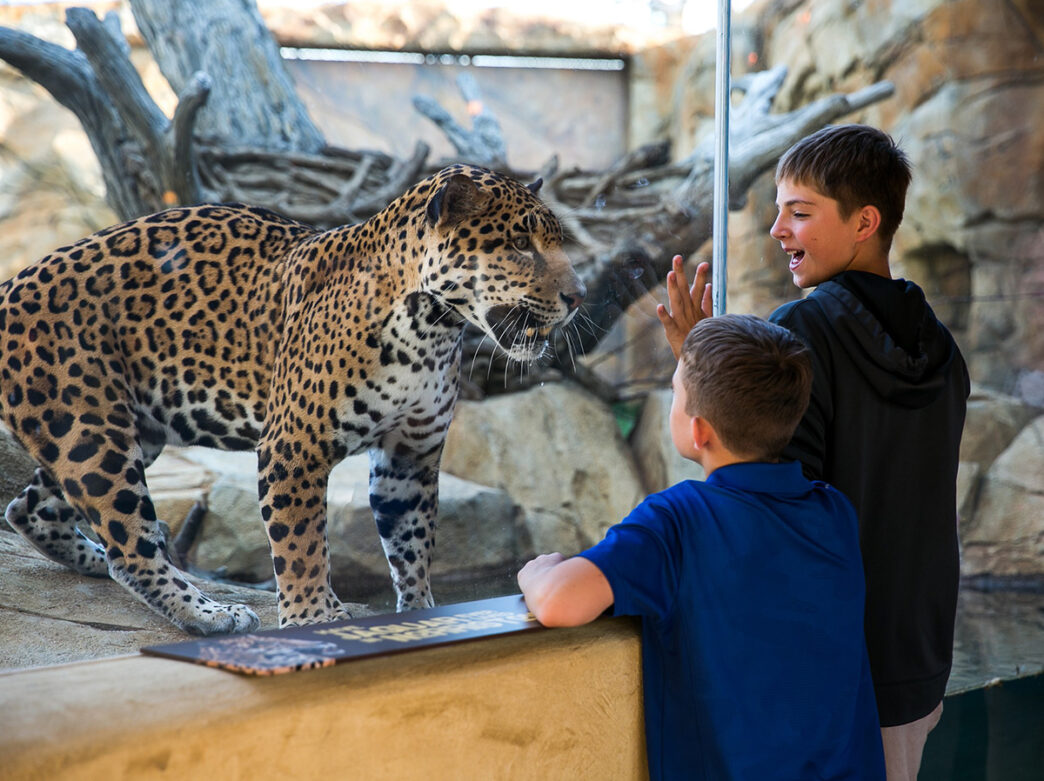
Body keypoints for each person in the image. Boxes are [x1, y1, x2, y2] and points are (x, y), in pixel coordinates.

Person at [657, 124, 970, 781]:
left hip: (835, 670)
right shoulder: (941, 347)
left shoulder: (802, 333)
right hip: (918, 655)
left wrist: (698, 364)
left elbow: (756, 492)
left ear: (865, 221)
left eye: (799, 213)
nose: (777, 229)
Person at [518, 314, 886, 780]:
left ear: (698, 431)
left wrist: (536, 571)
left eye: (675, 391)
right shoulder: (833, 512)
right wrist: (703, 367)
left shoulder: (676, 521)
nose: (672, 398)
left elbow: (557, 602)